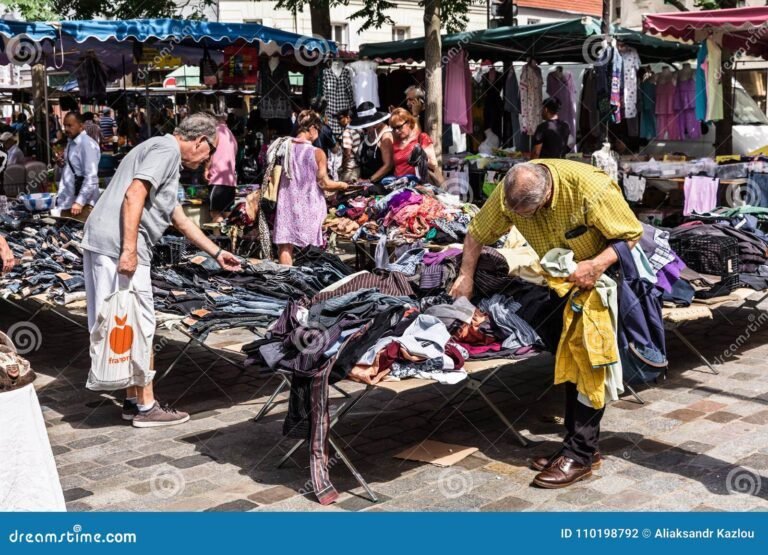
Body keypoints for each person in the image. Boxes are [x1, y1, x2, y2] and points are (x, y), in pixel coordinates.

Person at [450, 160, 643, 489]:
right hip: (560, 283)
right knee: (570, 361)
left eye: (530, 212)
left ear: (547, 193)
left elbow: (631, 237)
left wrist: (594, 265)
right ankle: (579, 445)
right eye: (517, 215)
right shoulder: (511, 193)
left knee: (589, 365)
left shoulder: (591, 190)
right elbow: (477, 232)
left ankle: (579, 455)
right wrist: (465, 274)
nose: (522, 220)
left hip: (600, 279)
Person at [81, 112, 242, 428]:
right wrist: (129, 250)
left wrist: (218, 252)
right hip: (118, 245)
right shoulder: (166, 151)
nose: (208, 162)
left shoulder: (161, 152)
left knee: (125, 320)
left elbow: (178, 219)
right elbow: (134, 193)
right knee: (142, 324)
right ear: (199, 141)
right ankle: (146, 407)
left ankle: (131, 399)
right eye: (210, 152)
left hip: (106, 242)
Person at [274, 110, 349, 266]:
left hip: (286, 203)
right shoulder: (317, 153)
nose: (319, 133)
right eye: (319, 129)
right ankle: (309, 283)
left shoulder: (283, 149)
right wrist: (342, 185)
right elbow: (324, 183)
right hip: (310, 205)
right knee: (311, 248)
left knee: (285, 245)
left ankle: (286, 282)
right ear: (313, 127)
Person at [55, 112, 101, 221]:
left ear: (81, 126)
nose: (66, 129)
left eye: (70, 125)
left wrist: (80, 202)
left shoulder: (86, 145)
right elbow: (74, 168)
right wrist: (62, 164)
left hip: (81, 206)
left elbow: (91, 177)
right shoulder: (71, 143)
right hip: (68, 201)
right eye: (65, 125)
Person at [349, 102, 393, 183]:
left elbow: (388, 165)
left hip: (381, 183)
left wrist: (369, 180)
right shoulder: (368, 133)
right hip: (364, 181)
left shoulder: (385, 136)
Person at [390, 108, 438, 181]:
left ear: (408, 123)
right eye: (394, 128)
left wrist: (420, 158)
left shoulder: (422, 138)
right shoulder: (396, 143)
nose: (396, 131)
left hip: (417, 185)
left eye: (399, 127)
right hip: (398, 184)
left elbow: (434, 164)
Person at [208, 112, 238, 223]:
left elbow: (208, 151)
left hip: (218, 178)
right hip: (230, 180)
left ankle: (217, 239)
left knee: (215, 213)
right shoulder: (230, 134)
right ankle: (229, 239)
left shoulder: (215, 132)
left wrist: (206, 168)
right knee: (227, 213)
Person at [337, 109, 361, 183]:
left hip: (350, 170)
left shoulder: (347, 133)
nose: (338, 121)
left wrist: (343, 167)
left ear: (347, 118)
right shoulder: (359, 129)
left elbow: (347, 154)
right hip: (358, 168)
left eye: (340, 118)